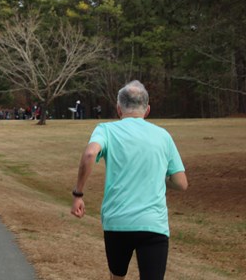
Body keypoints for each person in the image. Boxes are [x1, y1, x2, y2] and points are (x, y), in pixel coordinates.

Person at [70, 80, 188, 280]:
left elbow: (90, 154)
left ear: (118, 108)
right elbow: (181, 183)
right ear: (147, 110)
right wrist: (160, 177)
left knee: (117, 276)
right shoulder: (163, 136)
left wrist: (78, 194)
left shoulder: (106, 130)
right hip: (153, 224)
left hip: (117, 222)